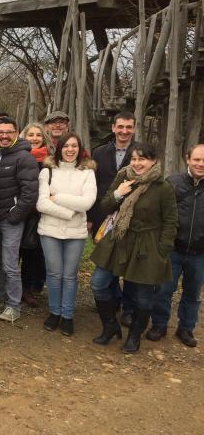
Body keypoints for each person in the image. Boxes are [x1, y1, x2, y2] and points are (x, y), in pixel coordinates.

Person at [89, 143, 177, 353]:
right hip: (118, 240)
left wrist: (162, 250)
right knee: (98, 283)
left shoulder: (163, 188)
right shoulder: (123, 178)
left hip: (146, 246)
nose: (137, 164)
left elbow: (170, 221)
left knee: (143, 297)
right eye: (134, 159)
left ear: (153, 161)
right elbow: (105, 206)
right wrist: (118, 194)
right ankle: (110, 326)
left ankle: (134, 336)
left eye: (142, 159)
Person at [36, 133, 97, 336]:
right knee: (54, 274)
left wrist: (58, 197)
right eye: (66, 146)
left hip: (76, 234)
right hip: (50, 231)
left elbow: (87, 203)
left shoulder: (87, 173)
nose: (70, 150)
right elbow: (41, 203)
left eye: (74, 146)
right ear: (59, 148)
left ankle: (68, 315)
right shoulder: (48, 171)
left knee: (70, 276)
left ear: (80, 149)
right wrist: (70, 211)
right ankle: (54, 312)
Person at [147, 144, 204, 347]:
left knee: (193, 294)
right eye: (197, 159)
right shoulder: (173, 183)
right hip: (173, 249)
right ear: (188, 159)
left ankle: (186, 328)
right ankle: (159, 325)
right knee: (163, 290)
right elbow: (160, 214)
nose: (200, 164)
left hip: (200, 253)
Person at [0, 116, 39, 322]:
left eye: (9, 132)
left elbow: (30, 194)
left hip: (11, 220)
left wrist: (14, 215)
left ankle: (14, 306)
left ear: (16, 133)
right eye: (0, 132)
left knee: (10, 264)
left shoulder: (24, 158)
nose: (4, 136)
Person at [88, 111, 137, 325]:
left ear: (133, 129)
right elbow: (92, 186)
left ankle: (129, 307)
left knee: (127, 263)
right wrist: (91, 216)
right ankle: (112, 299)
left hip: (130, 216)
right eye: (121, 127)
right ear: (113, 128)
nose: (124, 131)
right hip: (102, 215)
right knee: (105, 259)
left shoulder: (140, 152)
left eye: (129, 127)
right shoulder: (99, 152)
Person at [19, 122, 49, 307]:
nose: (35, 138)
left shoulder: (49, 161)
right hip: (20, 211)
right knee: (15, 252)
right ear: (24, 136)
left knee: (33, 253)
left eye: (38, 135)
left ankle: (28, 288)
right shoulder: (19, 157)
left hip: (40, 213)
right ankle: (13, 289)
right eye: (31, 135)